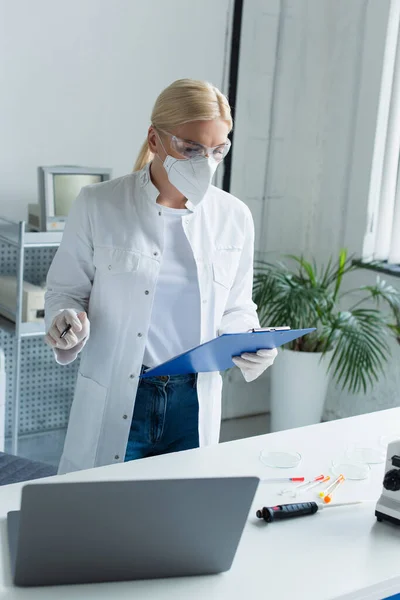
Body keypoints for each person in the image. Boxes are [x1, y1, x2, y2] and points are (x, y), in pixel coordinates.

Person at [44, 78, 277, 475]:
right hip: (122, 393)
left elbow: (237, 306)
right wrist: (65, 320)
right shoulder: (99, 204)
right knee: (101, 513)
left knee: (180, 514)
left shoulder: (234, 217)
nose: (206, 164)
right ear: (155, 139)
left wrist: (251, 341)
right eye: (191, 149)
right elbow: (65, 292)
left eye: (218, 151)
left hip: (193, 397)